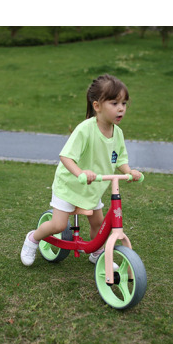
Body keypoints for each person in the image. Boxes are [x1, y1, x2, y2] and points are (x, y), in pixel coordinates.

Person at [21, 74, 141, 266]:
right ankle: (33, 238)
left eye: (124, 103)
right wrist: (80, 173)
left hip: (92, 188)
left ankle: (97, 252)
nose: (121, 108)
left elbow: (120, 158)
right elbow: (66, 156)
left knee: (98, 225)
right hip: (70, 185)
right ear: (97, 106)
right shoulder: (86, 129)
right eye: (114, 103)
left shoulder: (117, 133)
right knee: (59, 225)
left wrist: (129, 171)